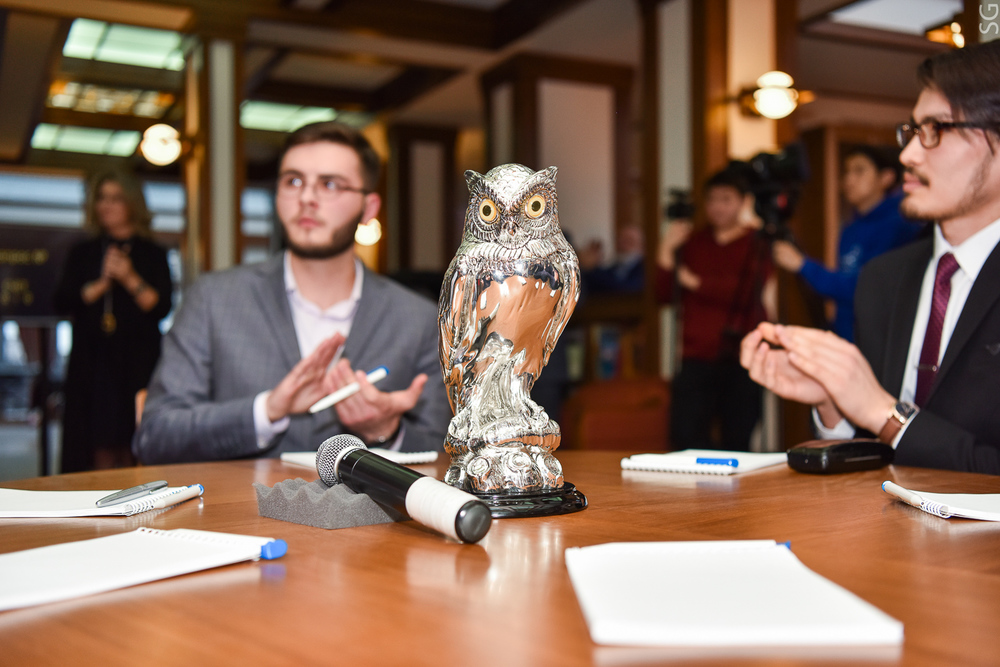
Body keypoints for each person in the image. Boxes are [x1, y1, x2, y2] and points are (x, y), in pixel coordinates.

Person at [741, 40, 1000, 474]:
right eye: (912, 131)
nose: (908, 155)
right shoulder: (884, 278)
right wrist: (834, 400)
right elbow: (875, 449)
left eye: (936, 129)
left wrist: (884, 412)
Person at [133, 122, 451, 463]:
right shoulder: (213, 299)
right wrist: (266, 411)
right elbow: (155, 436)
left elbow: (448, 453)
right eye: (293, 181)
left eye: (330, 184)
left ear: (368, 208)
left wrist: (387, 431)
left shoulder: (418, 319)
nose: (307, 198)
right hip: (239, 499)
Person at [53, 171, 173, 472]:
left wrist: (129, 277)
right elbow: (62, 301)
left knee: (136, 438)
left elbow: (161, 307)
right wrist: (102, 284)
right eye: (101, 198)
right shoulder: (83, 252)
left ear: (132, 204)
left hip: (138, 361)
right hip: (93, 362)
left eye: (115, 198)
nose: (106, 206)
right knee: (95, 440)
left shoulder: (152, 253)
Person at [656, 169, 776, 451]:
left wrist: (694, 281)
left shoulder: (757, 243)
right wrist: (665, 250)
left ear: (743, 202)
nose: (718, 207)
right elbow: (663, 295)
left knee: (738, 439)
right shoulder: (693, 242)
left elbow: (745, 292)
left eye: (726, 199)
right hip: (696, 356)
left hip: (741, 357)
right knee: (686, 437)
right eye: (712, 199)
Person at [771, 145, 922, 340]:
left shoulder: (899, 225)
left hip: (879, 339)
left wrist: (802, 265)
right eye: (847, 171)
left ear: (886, 177)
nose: (849, 179)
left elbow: (866, 289)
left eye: (859, 170)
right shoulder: (851, 228)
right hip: (848, 335)